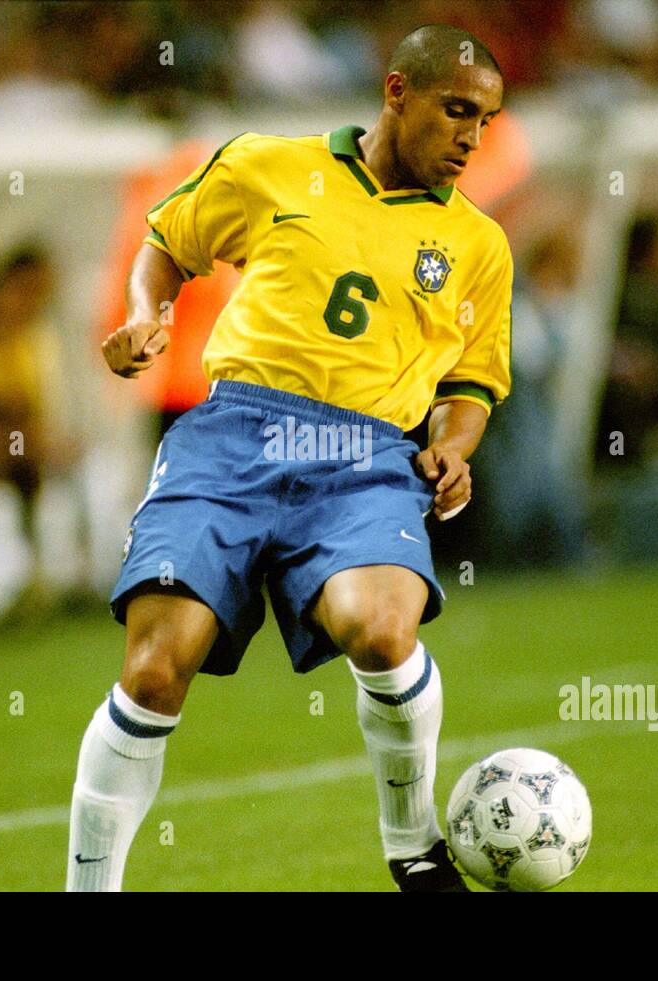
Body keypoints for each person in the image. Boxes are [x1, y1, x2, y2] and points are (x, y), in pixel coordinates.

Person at [70, 24, 511, 892]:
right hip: (231, 434)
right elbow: (167, 244)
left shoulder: (477, 245)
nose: (471, 137)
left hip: (367, 456)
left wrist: (453, 451)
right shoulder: (267, 166)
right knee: (155, 670)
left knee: (383, 630)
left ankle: (413, 844)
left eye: (486, 121)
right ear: (396, 92)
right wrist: (147, 316)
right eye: (457, 111)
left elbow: (473, 379)